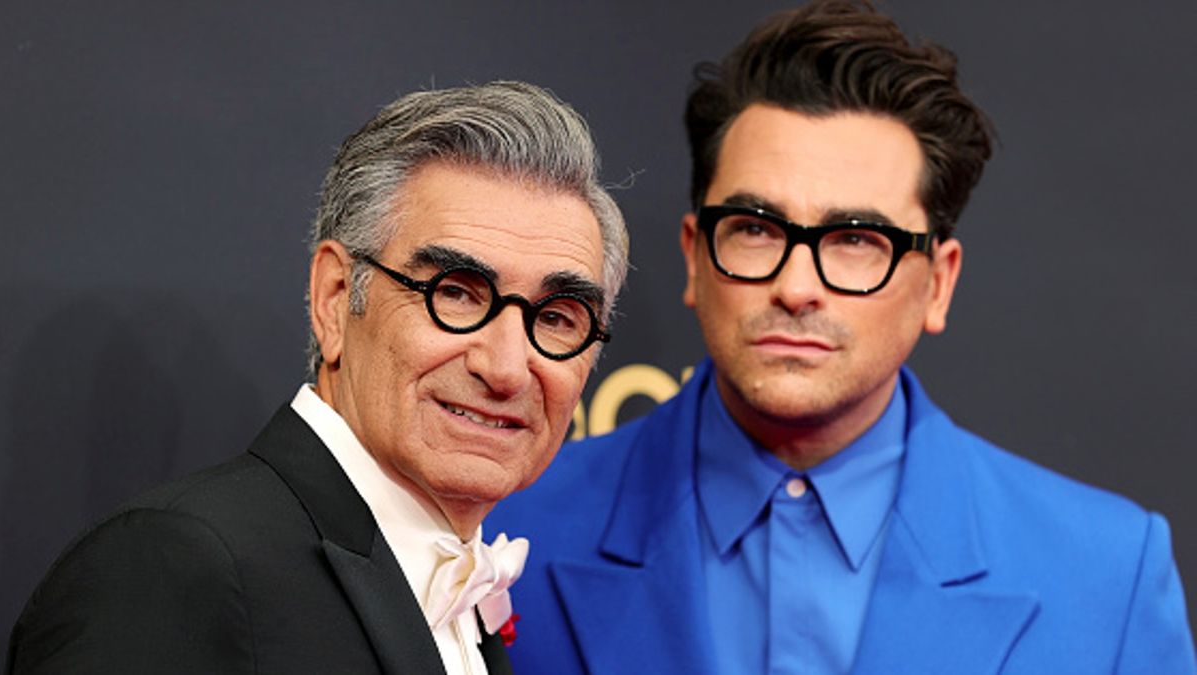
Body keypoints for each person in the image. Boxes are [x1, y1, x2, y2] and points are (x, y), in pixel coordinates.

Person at [485, 2, 1196, 673]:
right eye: (757, 229)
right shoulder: (505, 527)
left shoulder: (1107, 571)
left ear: (939, 283)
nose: (797, 286)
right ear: (695, 255)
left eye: (857, 239)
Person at [5, 81, 629, 675]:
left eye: (555, 318)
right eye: (457, 294)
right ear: (335, 298)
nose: (505, 366)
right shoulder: (176, 568)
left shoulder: (453, 591)